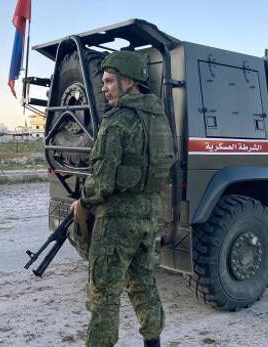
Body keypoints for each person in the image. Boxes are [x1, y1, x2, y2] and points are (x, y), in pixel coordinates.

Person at [70, 50, 171, 347]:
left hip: (117, 222)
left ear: (129, 82)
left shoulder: (117, 121)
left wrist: (83, 204)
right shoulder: (159, 118)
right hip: (149, 217)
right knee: (144, 285)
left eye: (110, 81)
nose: (104, 87)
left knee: (104, 295)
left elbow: (101, 180)